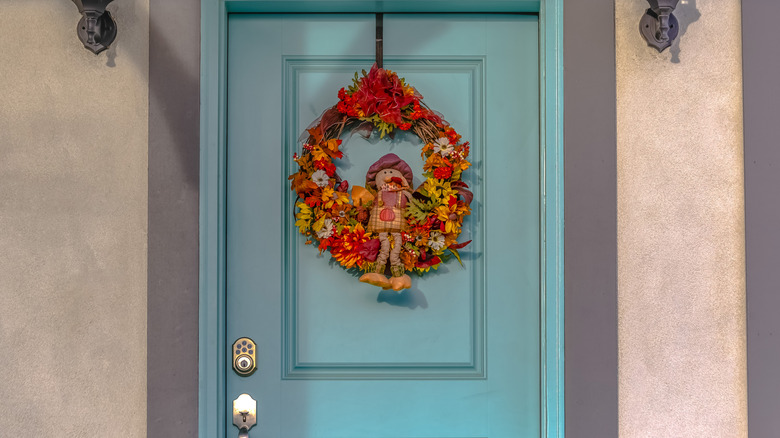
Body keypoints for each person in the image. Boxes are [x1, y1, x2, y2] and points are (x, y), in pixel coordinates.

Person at [359, 153, 413, 291]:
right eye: (384, 173)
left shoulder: (403, 194)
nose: (388, 177)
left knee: (397, 247)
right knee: (384, 246)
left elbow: (411, 205)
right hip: (381, 225)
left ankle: (399, 276)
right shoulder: (379, 194)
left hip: (397, 225)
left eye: (391, 173)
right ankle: (377, 273)